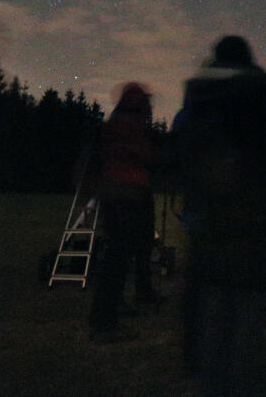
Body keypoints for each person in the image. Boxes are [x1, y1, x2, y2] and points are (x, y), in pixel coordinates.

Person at [172, 36, 266, 395]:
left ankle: (211, 380)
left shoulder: (199, 98)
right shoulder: (261, 98)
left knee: (214, 311)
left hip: (208, 218)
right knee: (246, 316)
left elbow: (179, 154)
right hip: (254, 218)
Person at [88, 82, 159, 343]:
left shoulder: (117, 122)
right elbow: (141, 155)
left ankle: (111, 307)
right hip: (125, 195)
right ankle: (104, 321)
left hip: (116, 194)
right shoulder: (131, 126)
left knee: (117, 254)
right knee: (117, 257)